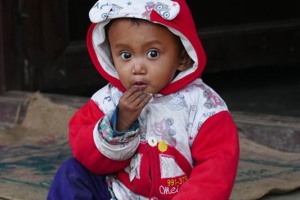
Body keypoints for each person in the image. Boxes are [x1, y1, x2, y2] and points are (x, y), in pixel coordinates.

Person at [48, 0, 239, 199]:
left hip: (178, 195)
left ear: (183, 57)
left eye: (153, 53)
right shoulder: (107, 99)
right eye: (126, 55)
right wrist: (120, 123)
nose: (137, 68)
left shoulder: (204, 105)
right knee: (72, 171)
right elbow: (88, 157)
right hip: (117, 193)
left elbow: (217, 167)